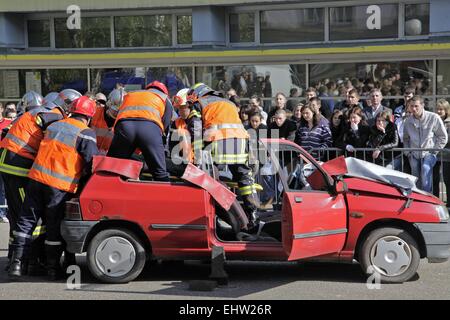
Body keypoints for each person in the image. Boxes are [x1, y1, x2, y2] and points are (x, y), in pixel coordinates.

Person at [8, 96, 98, 280]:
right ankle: (52, 269)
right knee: (53, 227)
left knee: (25, 222)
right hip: (58, 186)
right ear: (89, 117)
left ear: (72, 110)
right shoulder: (86, 133)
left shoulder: (55, 125)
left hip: (36, 179)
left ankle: (16, 264)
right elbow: (91, 163)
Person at [0, 89, 80, 274]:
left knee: (16, 216)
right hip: (18, 164)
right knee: (30, 217)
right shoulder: (53, 115)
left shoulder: (40, 110)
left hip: (9, 161)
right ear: (68, 105)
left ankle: (15, 259)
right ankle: (30, 262)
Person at [186, 83, 259, 229]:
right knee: (245, 180)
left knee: (212, 180)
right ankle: (253, 216)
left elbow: (196, 128)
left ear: (197, 94)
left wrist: (197, 154)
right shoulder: (228, 102)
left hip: (217, 144)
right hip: (239, 143)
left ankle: (222, 216)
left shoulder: (199, 103)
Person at [107, 81, 173, 182]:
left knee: (111, 167)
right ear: (164, 92)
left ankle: (104, 193)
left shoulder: (132, 94)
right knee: (159, 173)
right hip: (150, 129)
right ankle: (166, 196)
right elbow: (164, 128)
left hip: (124, 127)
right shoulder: (164, 99)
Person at [403, 96, 448, 193]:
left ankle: (426, 198)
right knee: (416, 179)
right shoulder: (408, 121)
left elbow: (443, 137)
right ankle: (418, 201)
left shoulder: (433, 117)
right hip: (414, 154)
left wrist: (434, 151)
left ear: (423, 105)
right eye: (411, 106)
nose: (414, 109)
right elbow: (405, 139)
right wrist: (408, 152)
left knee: (425, 170)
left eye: (416, 106)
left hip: (428, 153)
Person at [169, 88, 202, 170]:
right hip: (182, 164)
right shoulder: (176, 123)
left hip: (198, 165)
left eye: (183, 107)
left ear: (190, 106)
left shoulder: (199, 120)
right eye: (179, 108)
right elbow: (172, 145)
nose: (180, 111)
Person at [90, 89, 125, 154]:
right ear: (108, 104)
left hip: (111, 159)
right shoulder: (94, 112)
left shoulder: (125, 121)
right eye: (115, 110)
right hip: (91, 155)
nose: (116, 113)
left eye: (119, 111)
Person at [433, 99, 450, 201]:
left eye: (441, 109)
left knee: (447, 180)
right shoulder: (434, 120)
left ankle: (449, 203)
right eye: (437, 109)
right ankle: (435, 201)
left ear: (446, 110)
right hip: (435, 154)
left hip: (447, 156)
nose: (438, 111)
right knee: (434, 179)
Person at [0, 103, 12, 223]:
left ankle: (3, 212)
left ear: (2, 109)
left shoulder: (9, 123)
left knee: (4, 187)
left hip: (4, 158)